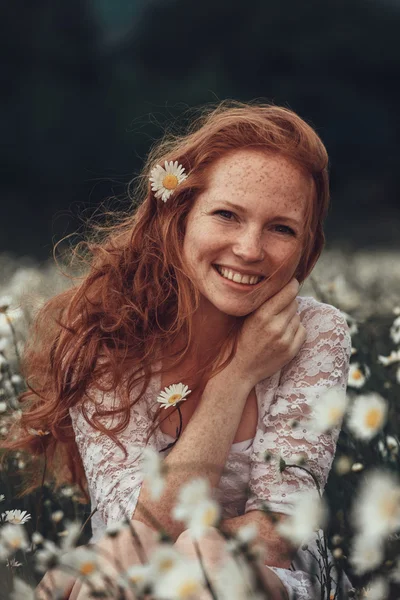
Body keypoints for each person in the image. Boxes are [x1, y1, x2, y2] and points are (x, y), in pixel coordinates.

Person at [4, 101, 352, 599]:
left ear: (305, 247)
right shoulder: (102, 334)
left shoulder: (315, 333)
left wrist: (197, 542)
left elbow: (282, 529)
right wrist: (236, 376)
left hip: (272, 578)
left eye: (281, 228)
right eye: (227, 215)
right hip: (130, 578)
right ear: (179, 216)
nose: (251, 249)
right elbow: (137, 526)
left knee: (202, 557)